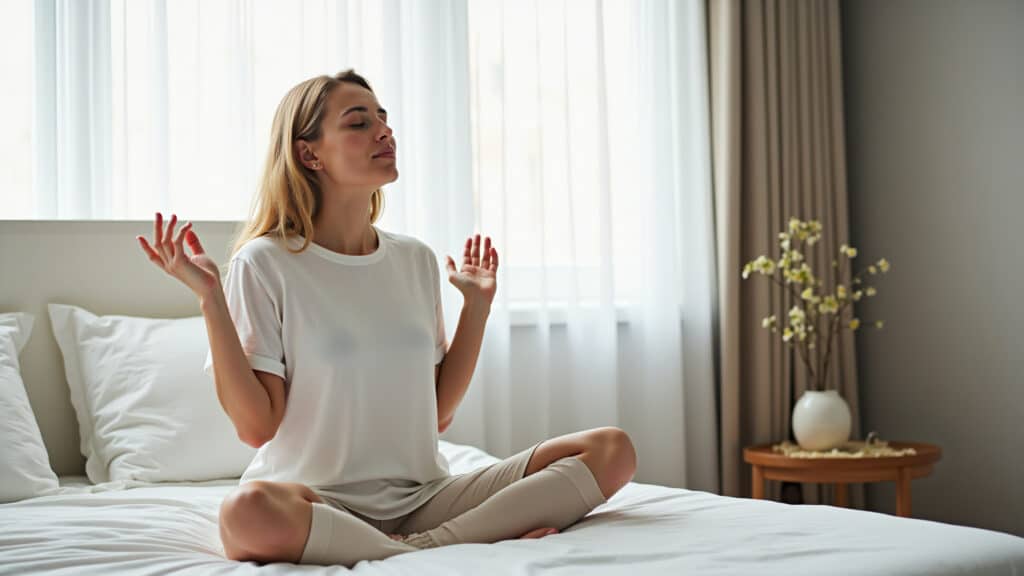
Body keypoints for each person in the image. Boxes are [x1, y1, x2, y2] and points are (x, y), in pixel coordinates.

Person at [136, 69, 636, 568]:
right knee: (246, 513)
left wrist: (476, 310)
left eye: (383, 119)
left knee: (612, 450)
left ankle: (417, 549)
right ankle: (453, 543)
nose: (383, 131)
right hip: (316, 502)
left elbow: (437, 413)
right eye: (358, 123)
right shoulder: (264, 263)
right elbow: (256, 427)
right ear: (309, 153)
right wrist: (211, 301)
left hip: (425, 499)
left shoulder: (414, 259)